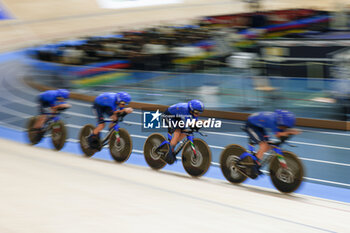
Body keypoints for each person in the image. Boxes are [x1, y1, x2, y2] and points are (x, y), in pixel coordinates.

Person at [241, 109, 301, 177]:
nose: (284, 128)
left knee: (268, 145)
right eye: (284, 126)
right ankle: (253, 167)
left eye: (286, 127)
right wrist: (290, 132)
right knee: (264, 145)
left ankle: (256, 159)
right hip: (251, 125)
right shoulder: (272, 121)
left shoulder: (279, 121)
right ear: (280, 121)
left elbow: (283, 131)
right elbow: (278, 135)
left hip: (258, 126)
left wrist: (289, 131)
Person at [161, 99, 205, 164]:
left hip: (176, 117)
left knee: (185, 133)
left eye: (199, 113)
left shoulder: (193, 112)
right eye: (196, 113)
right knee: (178, 132)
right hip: (168, 116)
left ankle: (173, 144)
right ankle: (170, 153)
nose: (197, 115)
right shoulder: (185, 110)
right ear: (191, 110)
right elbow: (190, 123)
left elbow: (194, 122)